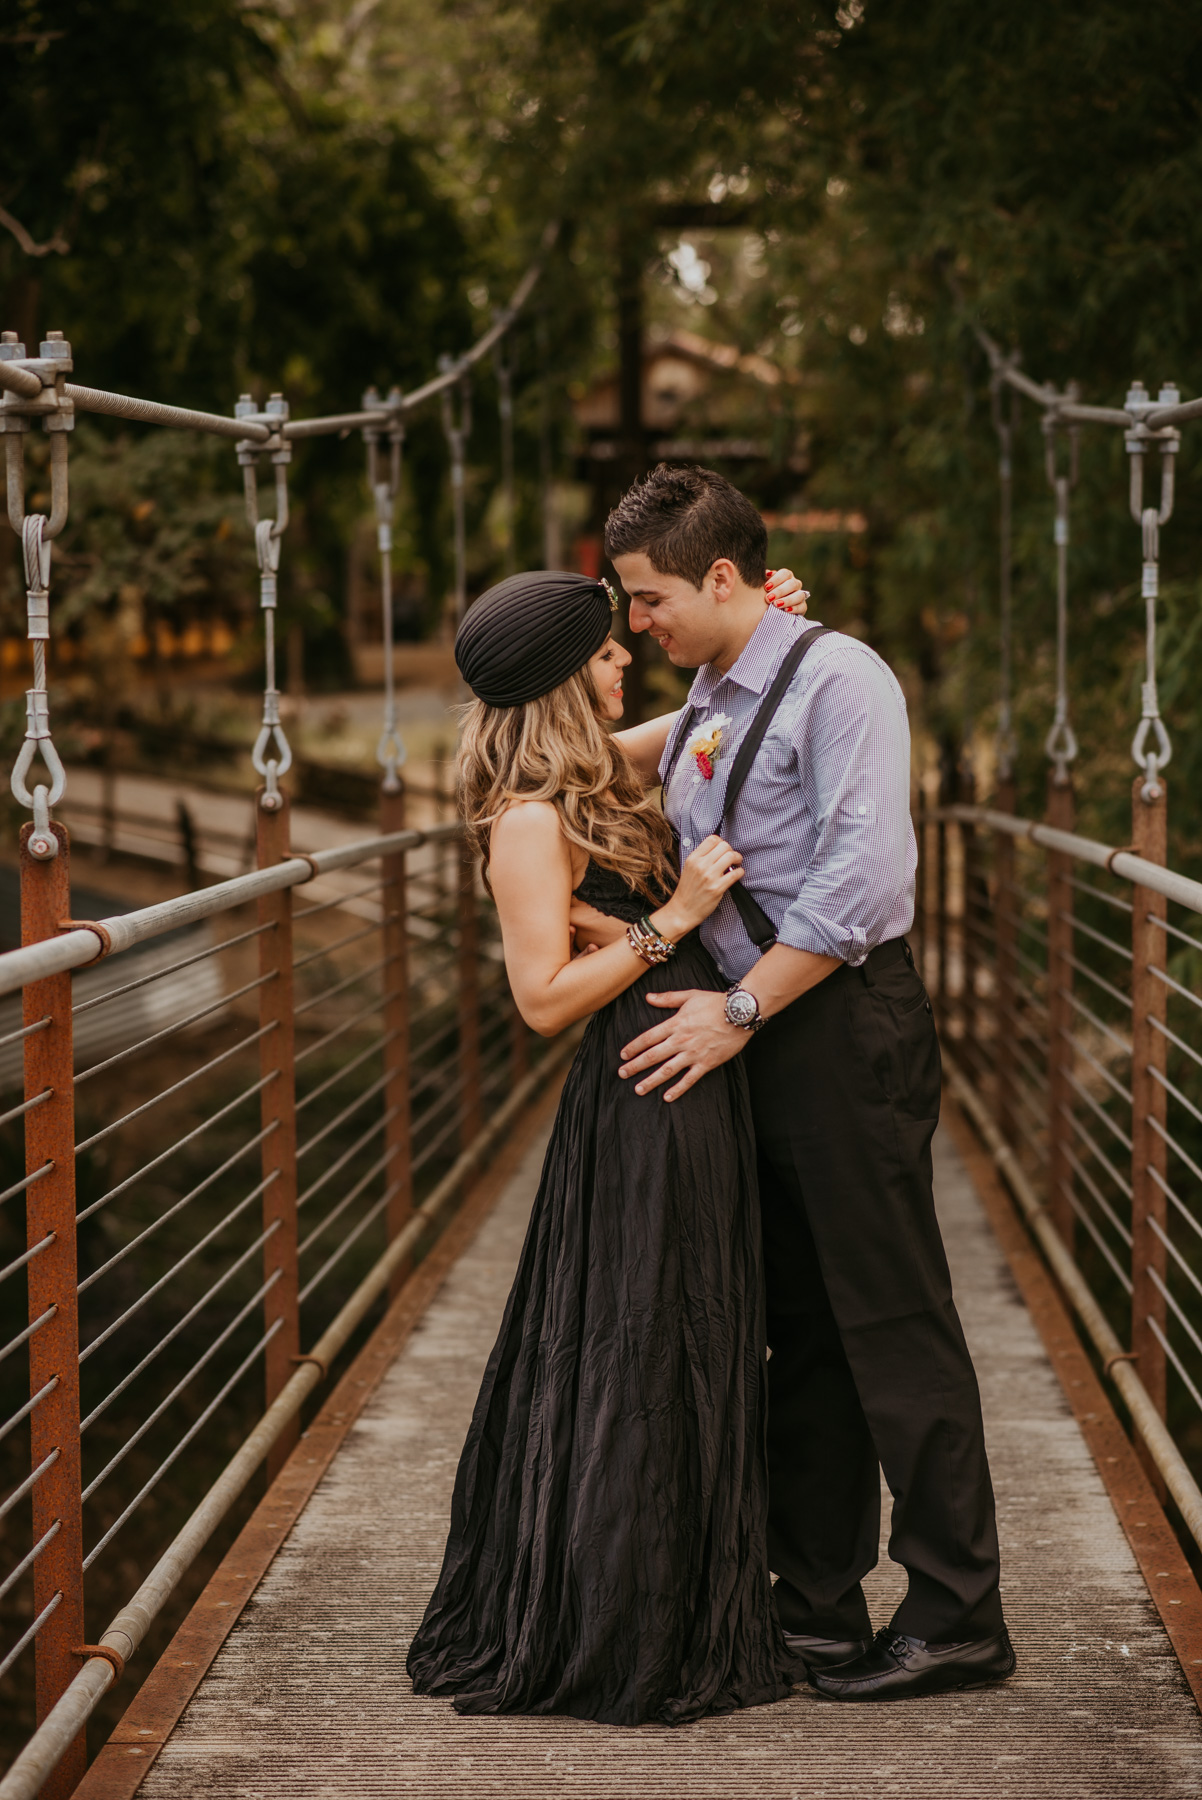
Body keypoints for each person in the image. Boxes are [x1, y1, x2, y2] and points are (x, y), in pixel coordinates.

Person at [603, 463, 1016, 1703]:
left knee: (891, 1318)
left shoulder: (842, 678)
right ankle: (818, 1610)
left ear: (719, 577)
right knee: (808, 1333)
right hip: (765, 1032)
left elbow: (862, 884)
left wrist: (734, 1012)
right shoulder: (715, 684)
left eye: (647, 598)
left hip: (833, 1023)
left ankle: (956, 1614)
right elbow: (577, 767)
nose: (637, 622)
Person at [407, 564, 808, 1727]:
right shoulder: (531, 822)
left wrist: (764, 627)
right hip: (642, 1090)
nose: (624, 655)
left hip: (686, 1069)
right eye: (601, 652)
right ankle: (621, 1626)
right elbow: (538, 1001)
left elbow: (705, 720)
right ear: (555, 681)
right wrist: (669, 920)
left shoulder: (592, 773)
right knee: (643, 1341)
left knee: (691, 1324)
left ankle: (677, 1603)